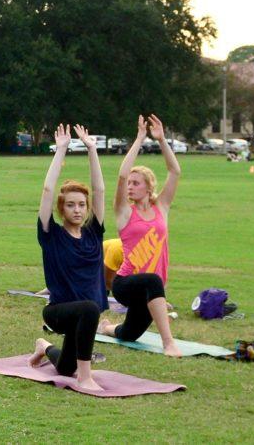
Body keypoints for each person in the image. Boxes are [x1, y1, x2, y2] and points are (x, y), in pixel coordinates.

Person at [27, 124, 107, 391]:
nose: (78, 209)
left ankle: (44, 346)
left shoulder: (94, 234)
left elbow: (100, 191)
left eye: (82, 205)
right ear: (62, 209)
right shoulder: (52, 235)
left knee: (65, 367)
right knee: (89, 308)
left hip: (85, 314)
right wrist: (61, 149)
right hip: (59, 312)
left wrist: (92, 149)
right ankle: (86, 377)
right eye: (71, 205)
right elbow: (48, 192)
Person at [98, 114, 183, 356]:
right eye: (130, 184)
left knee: (130, 333)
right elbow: (122, 175)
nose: (130, 186)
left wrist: (162, 140)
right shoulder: (124, 212)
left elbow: (175, 172)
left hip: (149, 289)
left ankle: (108, 328)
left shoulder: (161, 209)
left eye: (136, 183)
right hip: (125, 284)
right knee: (152, 280)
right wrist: (139, 139)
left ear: (149, 186)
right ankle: (169, 343)